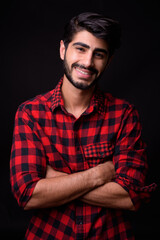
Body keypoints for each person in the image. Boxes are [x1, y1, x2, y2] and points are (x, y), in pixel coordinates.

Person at [10, 12, 156, 239]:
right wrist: (98, 175)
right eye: (80, 49)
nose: (88, 62)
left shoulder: (125, 114)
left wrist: (55, 180)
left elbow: (131, 197)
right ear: (62, 50)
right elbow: (28, 195)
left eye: (99, 54)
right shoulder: (30, 113)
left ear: (109, 61)